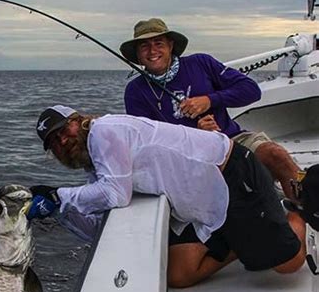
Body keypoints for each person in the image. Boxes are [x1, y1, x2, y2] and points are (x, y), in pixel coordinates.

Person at [27, 105, 307, 288]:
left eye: (64, 130)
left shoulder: (103, 132)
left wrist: (57, 195)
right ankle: (242, 242)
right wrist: (59, 211)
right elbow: (99, 225)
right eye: (53, 142)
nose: (62, 141)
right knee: (179, 274)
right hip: (199, 204)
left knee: (288, 265)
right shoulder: (95, 165)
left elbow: (116, 195)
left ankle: (295, 212)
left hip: (232, 176)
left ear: (79, 120)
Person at [119, 18, 301, 201]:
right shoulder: (135, 91)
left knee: (275, 154)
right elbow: (146, 144)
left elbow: (251, 91)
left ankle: (306, 205)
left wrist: (209, 100)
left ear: (171, 45)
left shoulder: (200, 63)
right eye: (144, 46)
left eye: (158, 43)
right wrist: (196, 137)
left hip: (230, 139)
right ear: (137, 53)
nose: (152, 51)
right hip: (186, 159)